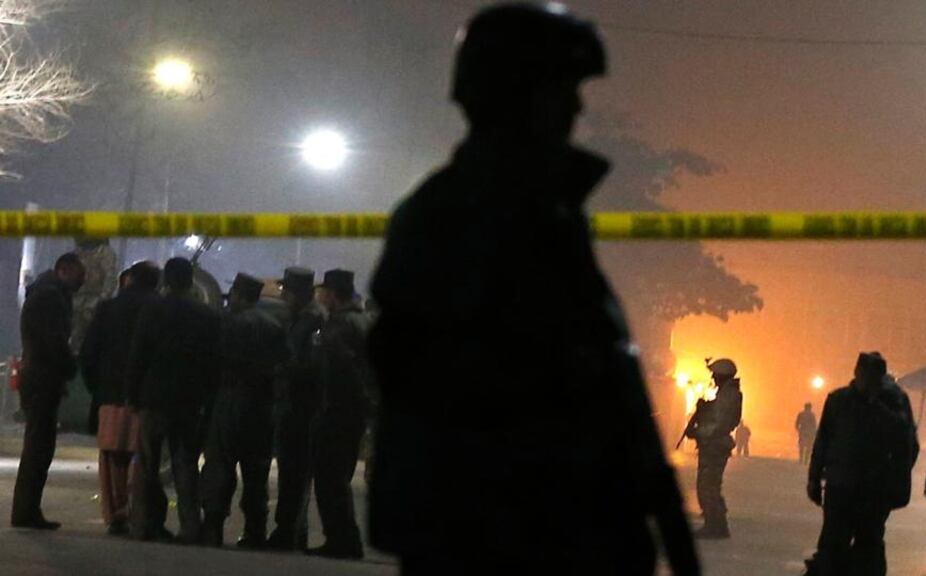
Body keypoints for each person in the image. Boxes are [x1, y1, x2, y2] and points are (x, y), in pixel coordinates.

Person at [368, 4, 699, 575]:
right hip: (500, 531)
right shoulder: (466, 216)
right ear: (513, 94)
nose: (576, 107)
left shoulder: (541, 212)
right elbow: (441, 382)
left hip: (542, 523)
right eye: (561, 89)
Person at [126, 257, 221, 544]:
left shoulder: (152, 310)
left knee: (147, 465)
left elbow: (138, 354)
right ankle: (190, 527)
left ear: (166, 280)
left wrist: (133, 395)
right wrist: (208, 400)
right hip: (190, 402)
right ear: (191, 280)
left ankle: (144, 524)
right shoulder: (207, 316)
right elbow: (213, 364)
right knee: (185, 465)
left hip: (153, 400)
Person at [805, 352, 918, 576]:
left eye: (874, 378)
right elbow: (823, 441)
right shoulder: (838, 400)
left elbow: (906, 447)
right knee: (833, 544)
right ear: (857, 373)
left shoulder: (894, 405)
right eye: (865, 376)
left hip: (874, 491)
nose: (868, 382)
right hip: (841, 486)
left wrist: (896, 483)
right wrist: (814, 478)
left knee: (869, 546)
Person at [200, 273, 287, 548]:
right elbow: (284, 363)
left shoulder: (226, 322)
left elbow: (212, 362)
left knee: (220, 465)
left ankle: (213, 528)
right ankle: (255, 532)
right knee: (256, 471)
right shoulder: (274, 325)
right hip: (262, 405)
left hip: (229, 399)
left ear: (237, 294)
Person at [79, 261, 161, 535]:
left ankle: (115, 515)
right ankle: (140, 514)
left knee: (112, 456)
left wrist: (98, 389)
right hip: (146, 397)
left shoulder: (107, 309)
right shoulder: (158, 308)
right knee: (144, 456)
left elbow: (89, 353)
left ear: (128, 280)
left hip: (110, 395)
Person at [10, 253, 86, 530]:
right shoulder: (50, 297)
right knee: (38, 448)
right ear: (64, 270)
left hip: (38, 377)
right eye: (80, 275)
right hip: (42, 379)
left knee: (38, 446)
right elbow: (53, 341)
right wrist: (69, 365)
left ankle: (27, 509)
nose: (82, 282)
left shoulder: (45, 294)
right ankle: (26, 511)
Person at [306, 269, 372, 559]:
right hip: (354, 411)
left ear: (332, 294)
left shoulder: (342, 326)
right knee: (337, 476)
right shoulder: (362, 320)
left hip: (338, 410)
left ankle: (343, 540)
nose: (320, 297)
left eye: (324, 292)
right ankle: (343, 539)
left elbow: (336, 371)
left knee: (330, 477)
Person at [267, 267, 326, 551]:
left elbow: (311, 365)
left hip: (302, 406)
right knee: (292, 471)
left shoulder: (313, 320)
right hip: (295, 403)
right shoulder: (304, 317)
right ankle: (289, 529)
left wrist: (282, 369)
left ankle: (289, 531)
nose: (283, 297)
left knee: (296, 472)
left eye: (286, 292)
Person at [682, 358, 744, 539]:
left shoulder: (728, 396)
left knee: (708, 487)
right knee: (710, 486)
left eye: (715, 375)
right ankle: (716, 524)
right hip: (713, 445)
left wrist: (697, 432)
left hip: (714, 445)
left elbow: (718, 423)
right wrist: (706, 407)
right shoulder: (727, 394)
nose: (713, 378)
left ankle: (714, 525)